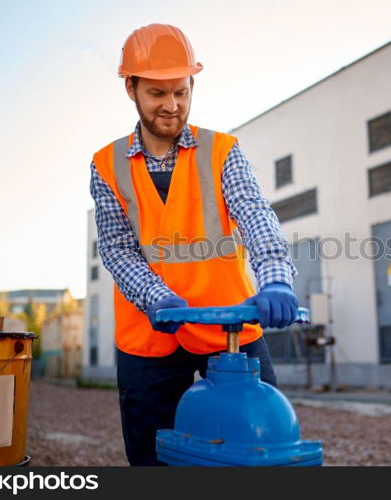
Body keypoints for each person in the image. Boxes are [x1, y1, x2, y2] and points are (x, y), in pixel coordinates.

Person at [89, 24, 299, 466]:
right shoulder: (105, 164)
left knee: (261, 446)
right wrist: (155, 296)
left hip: (231, 328)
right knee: (152, 457)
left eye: (181, 92)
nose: (172, 105)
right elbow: (117, 248)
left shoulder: (221, 150)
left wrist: (276, 279)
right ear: (131, 88)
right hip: (149, 331)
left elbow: (256, 216)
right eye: (157, 93)